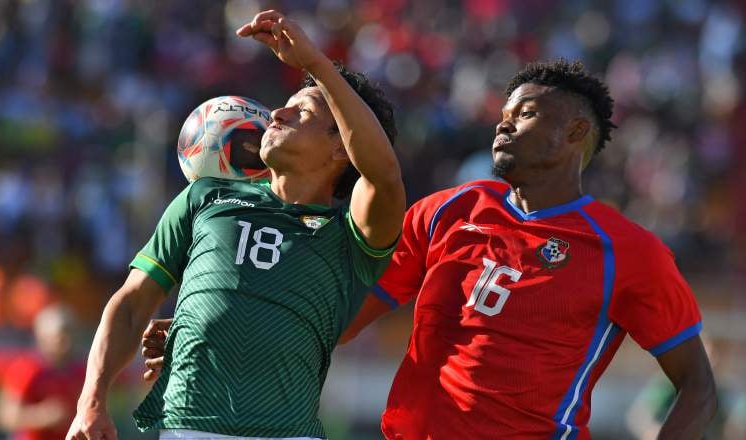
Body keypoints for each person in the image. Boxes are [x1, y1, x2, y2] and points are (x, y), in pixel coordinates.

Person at [142, 62, 718, 438]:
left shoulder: (627, 252)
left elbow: (697, 385)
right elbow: (336, 318)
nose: (503, 126)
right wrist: (216, 325)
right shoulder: (447, 211)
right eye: (502, 115)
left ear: (574, 132)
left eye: (525, 114)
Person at [66, 9, 404, 440]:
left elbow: (384, 174)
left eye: (303, 111)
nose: (277, 114)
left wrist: (317, 66)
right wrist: (91, 401)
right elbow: (132, 303)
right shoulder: (204, 197)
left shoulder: (353, 234)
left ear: (342, 147)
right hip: (186, 428)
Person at [0, 304, 85, 440]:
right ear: (42, 337)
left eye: (71, 333)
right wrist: (42, 416)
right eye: (61, 334)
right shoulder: (27, 369)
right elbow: (5, 416)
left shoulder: (82, 370)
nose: (67, 341)